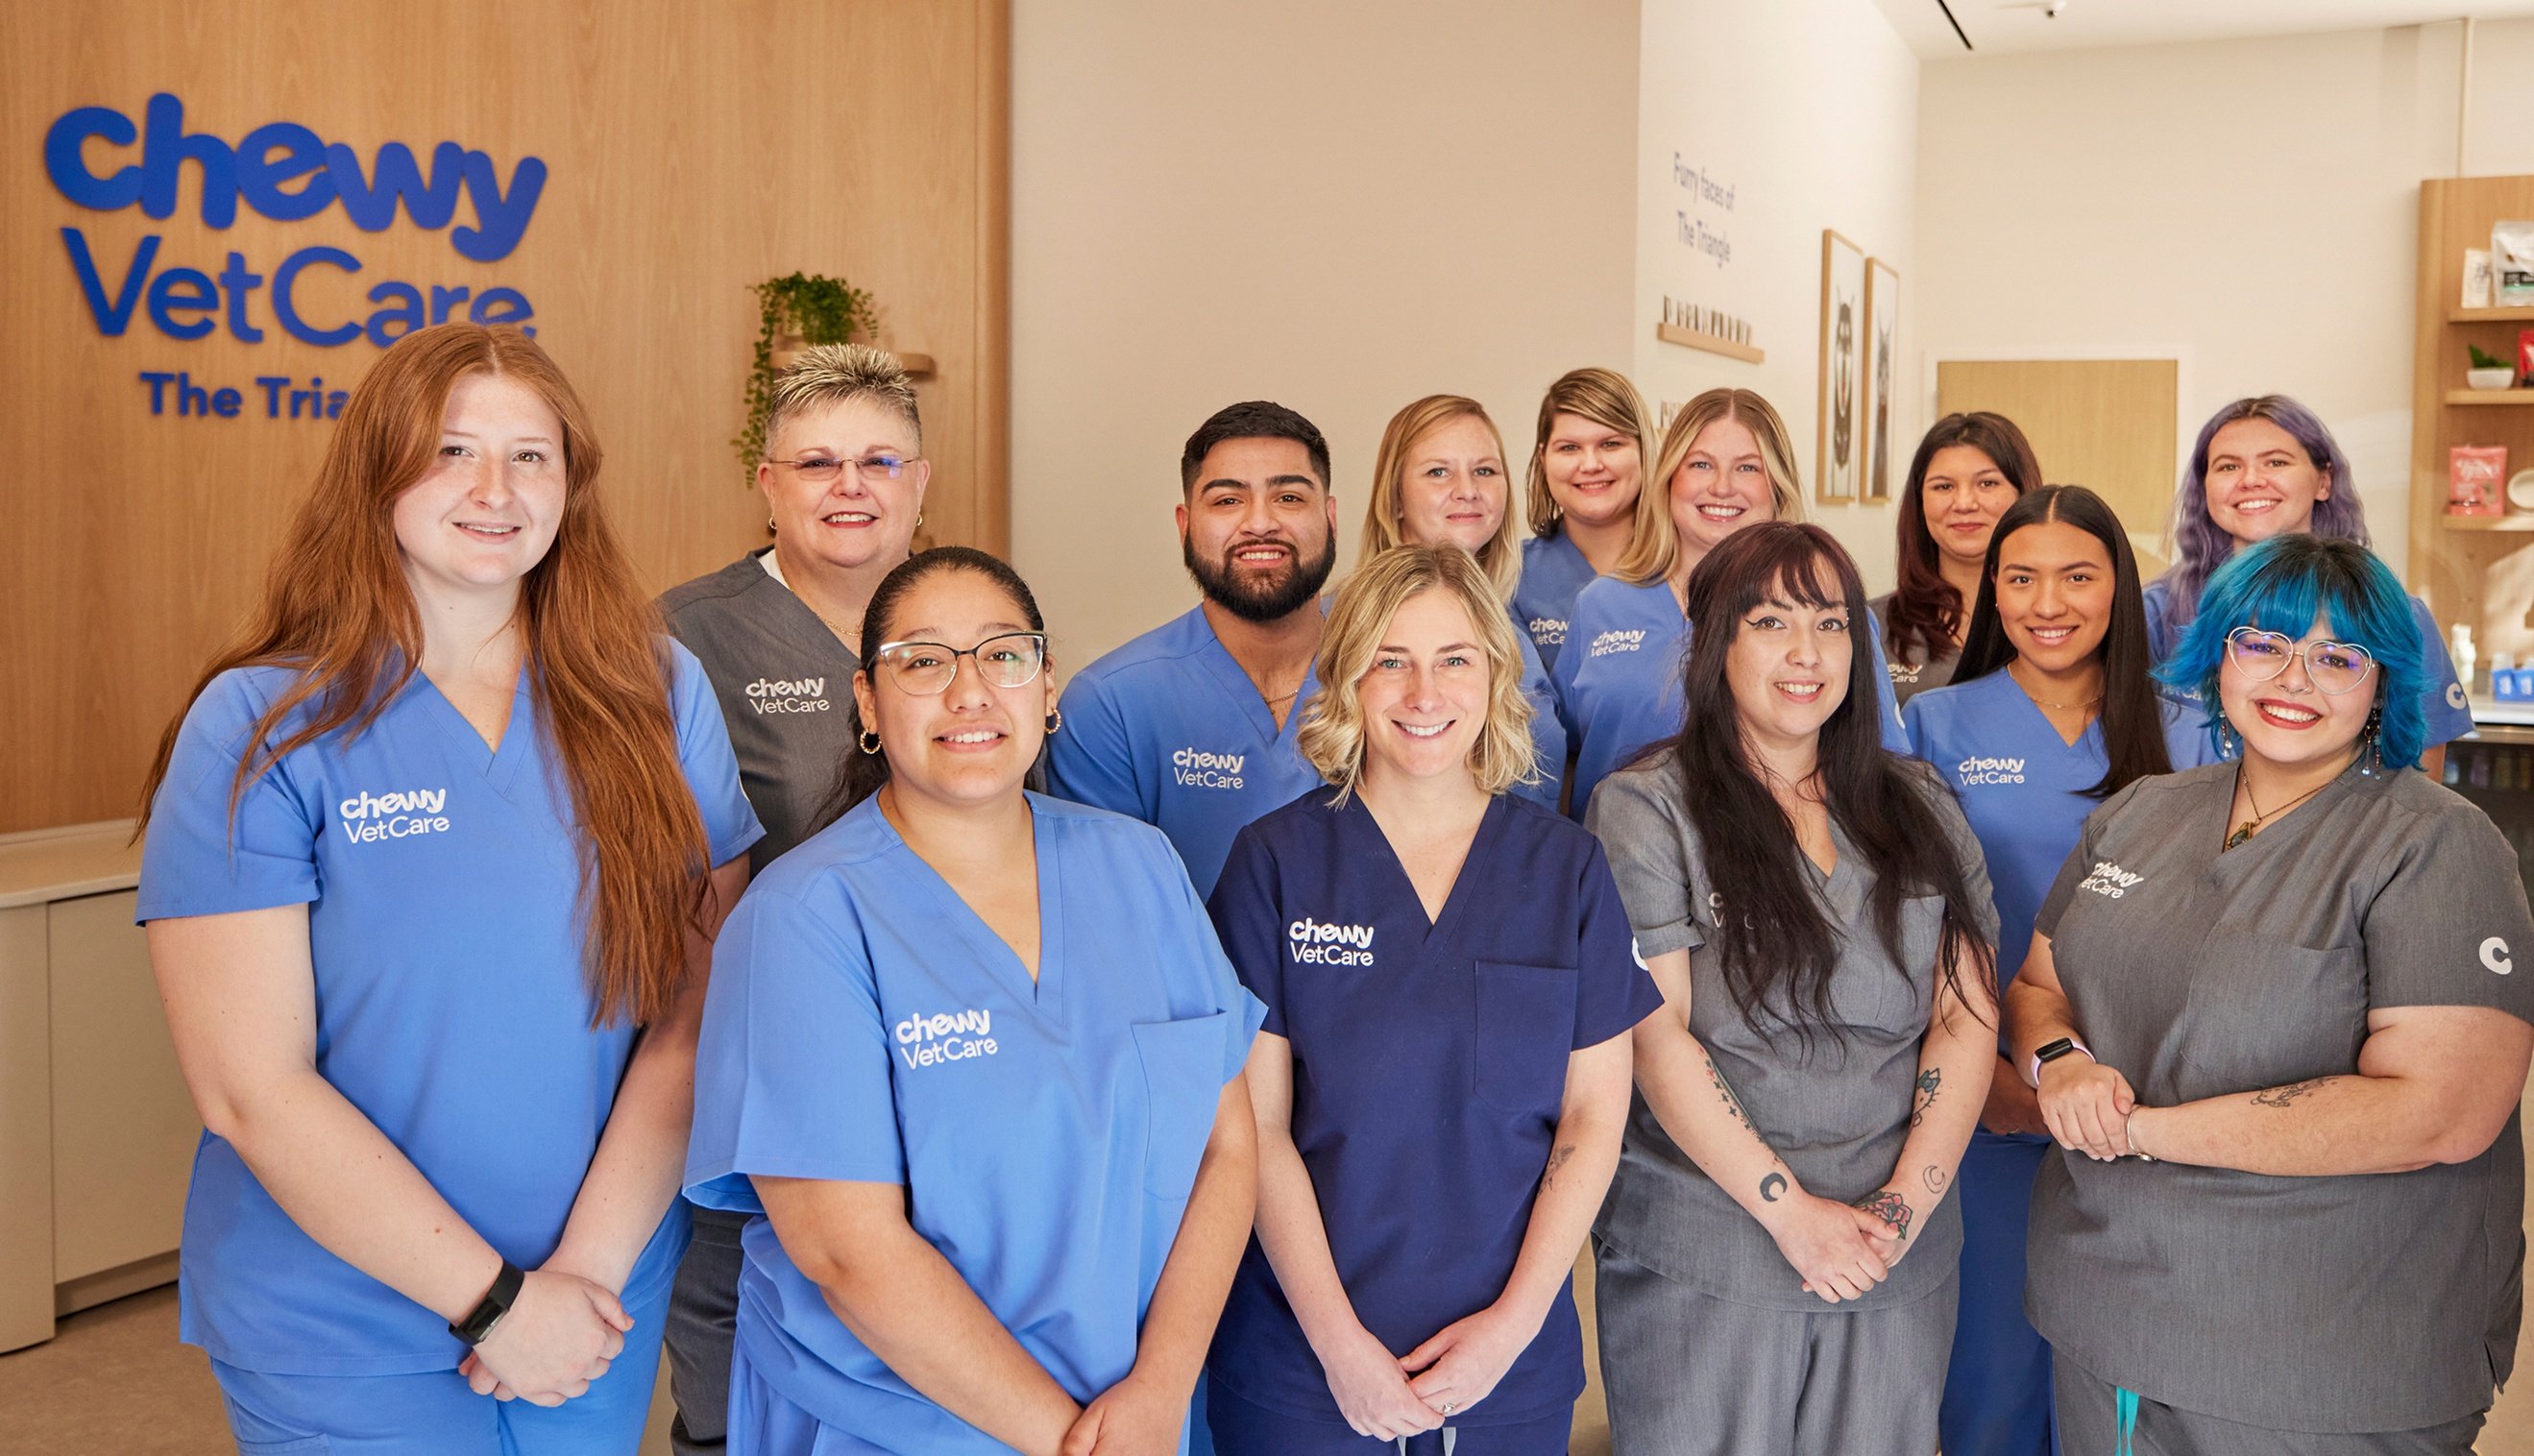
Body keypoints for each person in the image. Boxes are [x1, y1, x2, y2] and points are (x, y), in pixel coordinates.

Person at [134, 323, 762, 1455]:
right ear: (376, 474)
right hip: (342, 1314)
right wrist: (496, 1305)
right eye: (451, 451)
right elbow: (250, 1087)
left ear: (571, 484)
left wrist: (578, 1280)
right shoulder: (262, 724)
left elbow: (695, 1008)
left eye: (531, 456)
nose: (495, 490)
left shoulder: (656, 691)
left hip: (597, 1299)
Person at [687, 546, 1265, 1455]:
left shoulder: (1140, 866)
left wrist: (1161, 1388)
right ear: (868, 703)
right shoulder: (802, 918)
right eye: (923, 661)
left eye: (1003, 655)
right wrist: (1073, 1443)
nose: (970, 692)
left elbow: (1228, 1145)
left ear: (1047, 686)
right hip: (899, 1425)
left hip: (1138, 1413)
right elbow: (846, 1251)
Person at [2009, 533, 2534, 1454]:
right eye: (2264, 643)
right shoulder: (2140, 814)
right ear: (2220, 656)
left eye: (2339, 657)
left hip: (2323, 1353)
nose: (2295, 678)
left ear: (2382, 684)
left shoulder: (2435, 845)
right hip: (2109, 1315)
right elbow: (2036, 986)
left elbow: (2442, 1113)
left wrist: (2137, 1131)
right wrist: (2059, 1062)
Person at [1204, 545, 1660, 1455]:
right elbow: (1255, 1126)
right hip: (1304, 1364)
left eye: (1454, 659)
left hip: (1505, 1363)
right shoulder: (1275, 864)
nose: (1424, 693)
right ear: (1349, 677)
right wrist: (1339, 1348)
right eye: (1392, 661)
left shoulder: (1564, 869)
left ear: (1494, 675)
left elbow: (1593, 1117)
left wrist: (1509, 1330)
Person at [1585, 522, 2001, 1456]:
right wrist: (1790, 1214)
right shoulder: (1647, 807)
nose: (1806, 652)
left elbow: (1965, 1014)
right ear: (1713, 644)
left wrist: (1902, 1207)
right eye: (1770, 622)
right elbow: (1657, 1034)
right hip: (1712, 1245)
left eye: (1830, 622)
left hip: (1895, 1253)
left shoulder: (1921, 804)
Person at [1898, 486, 2215, 1456]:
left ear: (2120, 586)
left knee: (2132, 1389)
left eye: (2078, 576)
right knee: (1991, 1382)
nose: (2048, 603)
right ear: (1991, 591)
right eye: (2021, 578)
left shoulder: (2192, 726)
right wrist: (1979, 1082)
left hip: (2151, 1111)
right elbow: (1904, 923)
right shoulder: (1933, 723)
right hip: (1988, 1096)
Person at [653, 343, 927, 1456]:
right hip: (753, 1045)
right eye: (816, 463)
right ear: (767, 483)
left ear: (919, 479)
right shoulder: (684, 637)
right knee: (739, 1313)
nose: (848, 485)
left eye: (877, 460)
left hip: (934, 1046)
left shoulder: (963, 611)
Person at [1553, 388, 1909, 817]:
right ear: (1669, 478)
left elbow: (1885, 765)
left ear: (1777, 485)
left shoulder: (1831, 614)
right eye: (1701, 464)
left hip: (1771, 852)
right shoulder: (1601, 605)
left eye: (1748, 467)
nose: (1722, 487)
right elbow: (1564, 753)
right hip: (1614, 849)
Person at [1049, 400, 1338, 895]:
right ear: (1185, 525)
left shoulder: (1393, 673)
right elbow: (1107, 908)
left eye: (1289, 497)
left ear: (1330, 517)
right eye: (1227, 501)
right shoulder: (1112, 704)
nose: (1260, 523)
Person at [2146, 395, 2471, 769]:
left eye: (2276, 462)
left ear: (2324, 481)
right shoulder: (2155, 611)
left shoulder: (2395, 614)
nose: (2250, 480)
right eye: (2228, 466)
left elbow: (2420, 769)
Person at [1358, 395, 1567, 807]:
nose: (1468, 491)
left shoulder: (1513, 628)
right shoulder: (1344, 624)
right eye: (1438, 472)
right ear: (1395, 497)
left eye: (1484, 471)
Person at [1872, 412, 2042, 705]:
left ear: (2022, 493)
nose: (1964, 503)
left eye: (1987, 483)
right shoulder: (1873, 625)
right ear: (1919, 501)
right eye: (1943, 486)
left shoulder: (2054, 617)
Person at [1513, 368, 1658, 674]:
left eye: (1610, 444)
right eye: (1569, 448)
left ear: (1644, 449)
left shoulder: (1684, 565)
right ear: (1543, 458)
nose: (1590, 465)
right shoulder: (1514, 577)